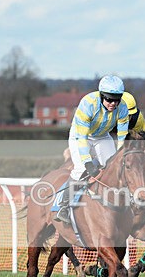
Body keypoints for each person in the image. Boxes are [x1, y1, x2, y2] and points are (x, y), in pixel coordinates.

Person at [55, 75, 129, 224]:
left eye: (117, 99)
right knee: (81, 168)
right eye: (109, 99)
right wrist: (88, 162)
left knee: (114, 167)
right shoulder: (88, 104)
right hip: (81, 136)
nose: (113, 103)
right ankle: (64, 206)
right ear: (102, 96)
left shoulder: (123, 108)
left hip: (102, 136)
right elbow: (82, 138)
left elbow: (122, 137)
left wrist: (121, 156)